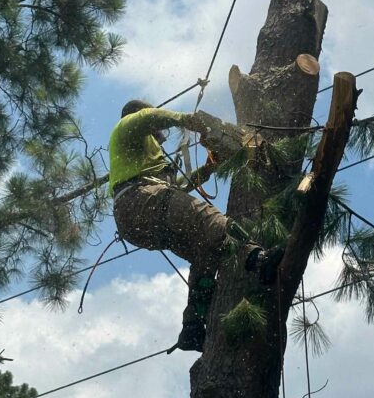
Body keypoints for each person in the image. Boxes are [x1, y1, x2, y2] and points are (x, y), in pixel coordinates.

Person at [108, 99, 279, 352]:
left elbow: (176, 192)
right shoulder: (127, 126)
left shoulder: (141, 158)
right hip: (140, 200)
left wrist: (207, 170)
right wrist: (188, 120)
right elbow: (148, 117)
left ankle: (193, 327)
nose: (162, 139)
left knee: (205, 252)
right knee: (208, 218)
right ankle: (257, 256)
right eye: (159, 133)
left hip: (141, 216)